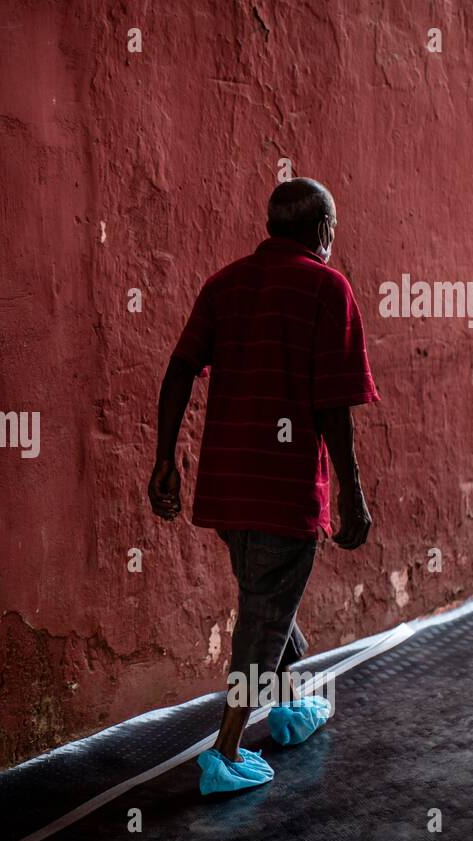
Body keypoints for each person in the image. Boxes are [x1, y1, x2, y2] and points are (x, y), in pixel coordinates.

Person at [148, 178, 380, 794]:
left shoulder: (225, 285)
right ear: (322, 232)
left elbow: (178, 369)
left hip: (228, 489)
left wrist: (164, 459)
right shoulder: (329, 290)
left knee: (266, 598)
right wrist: (353, 492)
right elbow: (334, 404)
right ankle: (223, 752)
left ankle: (289, 704)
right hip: (284, 491)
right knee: (262, 618)